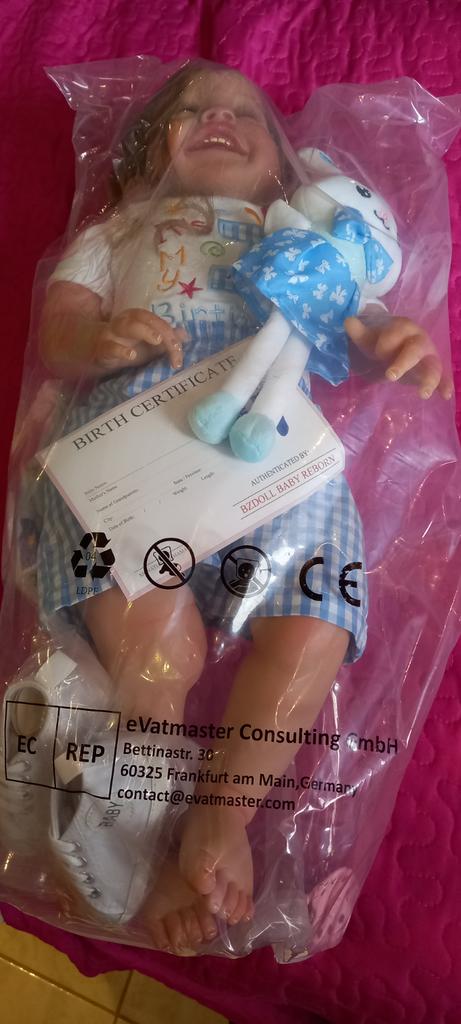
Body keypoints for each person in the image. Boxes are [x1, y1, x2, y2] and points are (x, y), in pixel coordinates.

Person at [37, 60, 453, 953]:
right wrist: (93, 338)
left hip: (278, 455)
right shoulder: (120, 232)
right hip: (133, 447)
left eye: (243, 115)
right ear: (142, 162)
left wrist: (395, 340)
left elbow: (356, 328)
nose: (216, 118)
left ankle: (223, 814)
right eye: (187, 111)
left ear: (281, 168)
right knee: (159, 654)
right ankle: (145, 837)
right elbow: (59, 330)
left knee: (312, 624)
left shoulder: (297, 236)